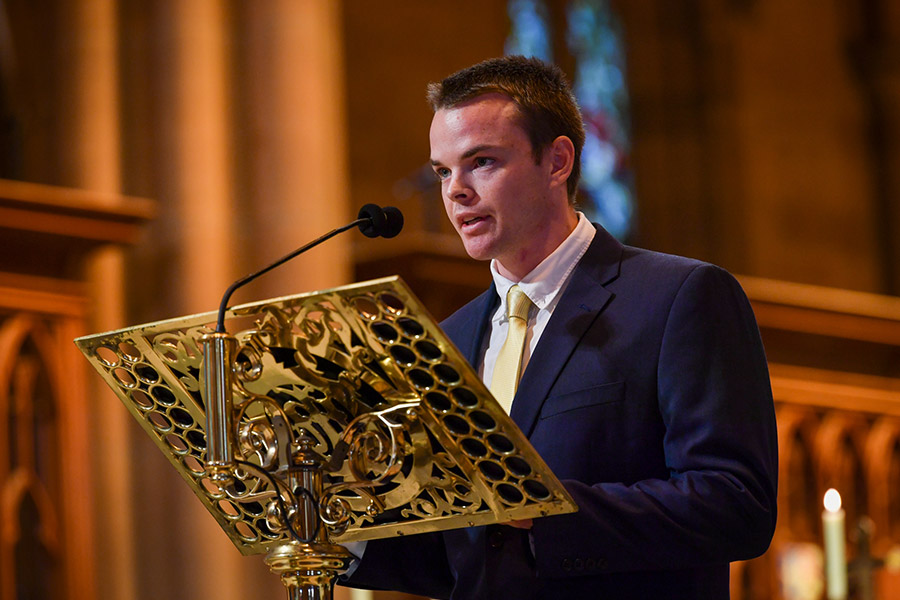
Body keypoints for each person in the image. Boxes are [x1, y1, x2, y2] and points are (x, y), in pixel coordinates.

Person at [346, 55, 778, 600]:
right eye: (442, 171)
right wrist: (342, 529)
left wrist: (545, 512)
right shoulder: (448, 341)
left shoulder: (678, 299)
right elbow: (466, 554)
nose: (455, 191)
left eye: (481, 162)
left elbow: (736, 503)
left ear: (557, 161)